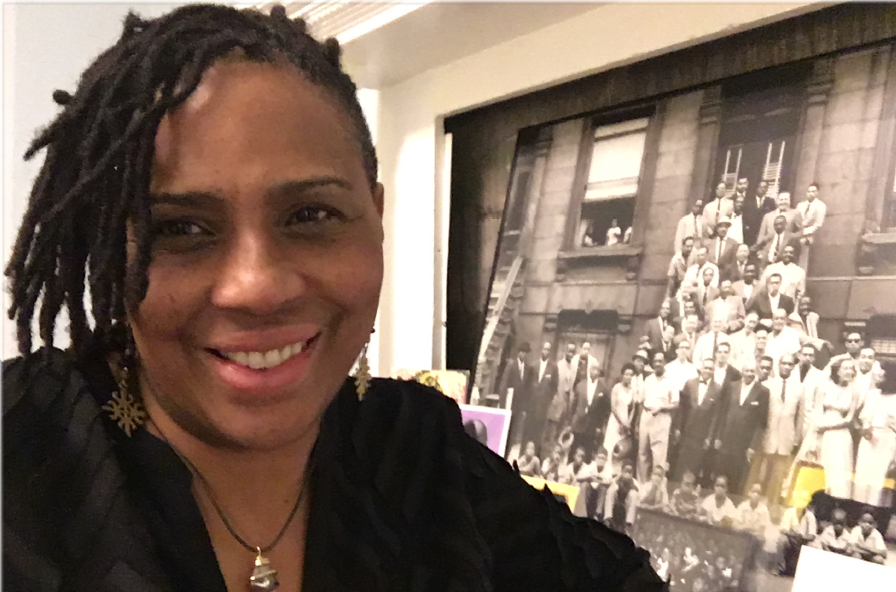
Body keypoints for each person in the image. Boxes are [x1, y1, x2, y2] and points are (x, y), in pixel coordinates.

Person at [2, 6, 665, 591]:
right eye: (180, 228)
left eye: (310, 215)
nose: (257, 287)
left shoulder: (416, 452)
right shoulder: (24, 453)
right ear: (109, 246)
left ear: (376, 217)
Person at [714, 360, 769, 495]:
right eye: (747, 371)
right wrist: (718, 437)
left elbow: (761, 423)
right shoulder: (731, 386)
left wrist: (752, 446)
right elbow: (722, 413)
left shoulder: (763, 391)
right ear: (742, 372)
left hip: (744, 443)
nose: (749, 374)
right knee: (720, 473)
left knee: (737, 478)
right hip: (726, 439)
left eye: (752, 371)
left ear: (756, 373)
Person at [760, 354, 805, 504]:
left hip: (786, 436)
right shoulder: (767, 385)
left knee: (779, 476)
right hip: (768, 434)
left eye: (789, 364)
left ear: (793, 367)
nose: (786, 366)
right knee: (762, 474)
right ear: (778, 365)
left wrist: (796, 439)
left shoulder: (799, 389)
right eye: (783, 363)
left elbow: (800, 416)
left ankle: (773, 504)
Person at [815, 359, 859, 498]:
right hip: (822, 432)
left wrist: (828, 427)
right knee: (822, 465)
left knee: (839, 468)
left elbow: (849, 419)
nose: (849, 371)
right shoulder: (824, 388)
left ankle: (837, 500)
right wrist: (818, 429)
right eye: (845, 368)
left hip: (841, 434)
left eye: (851, 369)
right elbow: (817, 411)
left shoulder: (854, 392)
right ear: (837, 371)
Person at [674, 359, 722, 485]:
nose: (707, 371)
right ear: (701, 369)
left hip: (702, 435)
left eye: (710, 368)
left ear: (713, 371)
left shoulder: (718, 389)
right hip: (687, 432)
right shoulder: (690, 384)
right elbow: (682, 408)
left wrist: (709, 437)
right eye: (706, 367)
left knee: (695, 467)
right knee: (681, 464)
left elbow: (716, 416)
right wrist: (678, 428)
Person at [854, 369, 896, 505]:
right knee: (862, 475)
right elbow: (864, 416)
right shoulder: (872, 394)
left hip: (887, 439)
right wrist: (866, 427)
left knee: (879, 478)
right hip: (869, 438)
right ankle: (858, 507)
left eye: (882, 375)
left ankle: (874, 509)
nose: (878, 377)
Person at [637, 352, 679, 483]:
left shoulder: (672, 380)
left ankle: (656, 487)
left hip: (662, 417)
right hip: (646, 416)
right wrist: (639, 421)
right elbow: (641, 400)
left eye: (660, 361)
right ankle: (642, 485)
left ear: (665, 362)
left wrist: (661, 408)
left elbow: (675, 404)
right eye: (655, 361)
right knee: (642, 453)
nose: (657, 364)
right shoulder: (648, 379)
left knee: (659, 456)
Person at [603, 364, 637, 477]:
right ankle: (607, 472)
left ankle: (617, 473)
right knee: (611, 445)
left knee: (621, 449)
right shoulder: (616, 388)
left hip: (626, 423)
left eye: (631, 375)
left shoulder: (632, 390)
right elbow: (613, 407)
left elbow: (633, 408)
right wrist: (621, 423)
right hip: (615, 421)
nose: (628, 377)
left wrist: (628, 423)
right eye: (626, 374)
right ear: (622, 375)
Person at [569, 364, 610, 459]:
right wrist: (572, 421)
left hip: (592, 424)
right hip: (579, 422)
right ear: (589, 371)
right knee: (574, 448)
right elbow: (574, 405)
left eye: (596, 370)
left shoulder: (603, 389)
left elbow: (605, 409)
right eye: (592, 369)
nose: (594, 372)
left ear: (599, 373)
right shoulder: (580, 385)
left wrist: (599, 426)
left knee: (588, 449)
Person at [529, 341, 559, 453]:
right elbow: (528, 384)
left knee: (539, 434)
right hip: (532, 405)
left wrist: (547, 400)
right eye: (545, 349)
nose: (546, 351)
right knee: (529, 432)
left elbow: (554, 386)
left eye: (548, 349)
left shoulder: (553, 367)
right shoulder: (534, 365)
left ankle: (536, 454)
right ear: (541, 349)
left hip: (543, 407)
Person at [776, 500, 817, 576]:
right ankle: (781, 568)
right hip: (790, 538)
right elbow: (783, 529)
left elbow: (812, 536)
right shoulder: (790, 512)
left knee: (814, 545)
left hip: (803, 541)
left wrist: (802, 537)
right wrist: (793, 535)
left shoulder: (810, 516)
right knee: (782, 540)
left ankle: (803, 572)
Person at [795, 182, 827, 269]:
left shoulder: (821, 206)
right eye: (809, 191)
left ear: (817, 193)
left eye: (813, 191)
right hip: (797, 234)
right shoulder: (800, 205)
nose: (810, 194)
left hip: (809, 235)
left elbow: (818, 224)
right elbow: (796, 219)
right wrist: (798, 232)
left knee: (804, 259)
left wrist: (804, 232)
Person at [604, 462, 640, 534]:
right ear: (622, 471)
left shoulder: (635, 483)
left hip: (626, 504)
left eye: (630, 472)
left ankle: (628, 523)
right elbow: (610, 489)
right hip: (616, 502)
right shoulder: (616, 479)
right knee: (611, 490)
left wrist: (631, 487)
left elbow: (638, 498)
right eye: (626, 471)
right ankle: (608, 518)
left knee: (633, 494)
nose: (627, 473)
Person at [499, 342, 534, 410]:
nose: (524, 354)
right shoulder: (511, 365)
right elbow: (504, 383)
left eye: (526, 352)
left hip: (520, 403)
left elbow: (527, 387)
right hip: (510, 400)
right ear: (518, 352)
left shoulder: (527, 368)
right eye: (522, 352)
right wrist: (502, 403)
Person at [743, 179, 776, 247]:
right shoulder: (748, 201)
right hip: (749, 233)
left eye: (764, 187)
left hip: (763, 232)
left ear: (767, 189)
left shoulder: (770, 202)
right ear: (757, 188)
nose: (762, 189)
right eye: (760, 187)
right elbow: (743, 216)